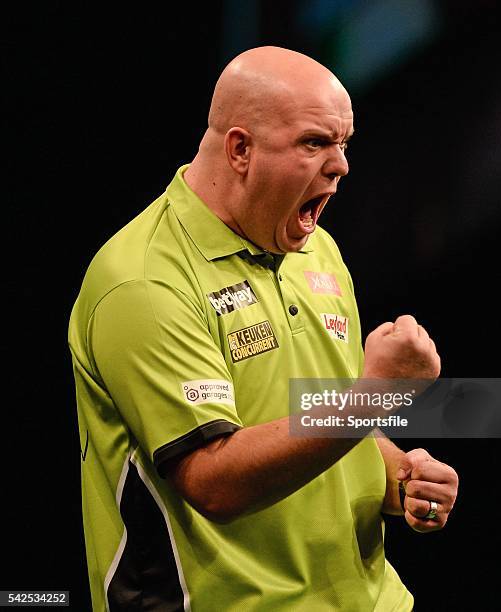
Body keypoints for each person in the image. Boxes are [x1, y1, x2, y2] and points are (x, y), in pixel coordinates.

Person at [69, 46, 459, 611]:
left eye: (343, 144)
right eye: (314, 143)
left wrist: (397, 476)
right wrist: (377, 394)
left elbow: (321, 414)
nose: (342, 165)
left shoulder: (315, 249)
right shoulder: (143, 281)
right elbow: (215, 481)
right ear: (240, 149)